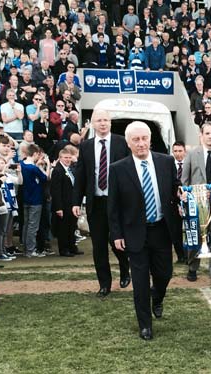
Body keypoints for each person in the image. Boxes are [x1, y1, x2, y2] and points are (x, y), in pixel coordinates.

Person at [107, 121, 180, 341]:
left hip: (161, 230)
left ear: (150, 139)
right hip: (134, 232)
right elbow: (113, 206)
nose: (141, 144)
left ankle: (157, 297)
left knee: (164, 273)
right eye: (136, 140)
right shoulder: (118, 169)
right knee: (139, 281)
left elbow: (175, 188)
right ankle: (145, 325)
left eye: (144, 138)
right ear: (128, 143)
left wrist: (181, 195)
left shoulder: (166, 162)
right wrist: (117, 234)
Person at [72, 109, 131, 297]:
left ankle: (124, 268)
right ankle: (104, 284)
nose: (103, 123)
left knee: (117, 242)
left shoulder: (122, 143)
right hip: (95, 202)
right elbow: (81, 174)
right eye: (99, 120)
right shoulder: (86, 146)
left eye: (106, 120)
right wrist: (76, 201)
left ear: (111, 122)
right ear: (93, 123)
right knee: (98, 245)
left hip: (118, 202)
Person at [181, 122, 211, 291]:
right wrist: (183, 200)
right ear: (201, 135)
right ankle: (192, 267)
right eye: (207, 133)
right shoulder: (192, 154)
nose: (210, 136)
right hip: (196, 204)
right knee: (196, 238)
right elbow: (184, 180)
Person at [51, 147, 79, 257]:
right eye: (65, 158)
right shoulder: (58, 171)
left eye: (69, 157)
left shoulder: (70, 169)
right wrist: (58, 207)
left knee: (72, 226)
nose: (67, 159)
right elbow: (55, 191)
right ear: (60, 158)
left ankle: (72, 247)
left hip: (72, 203)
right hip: (63, 204)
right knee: (63, 228)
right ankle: (64, 249)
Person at [171, 141, 186, 263]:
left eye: (180, 151)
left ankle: (190, 254)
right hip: (174, 203)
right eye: (175, 151)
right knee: (176, 231)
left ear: (185, 151)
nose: (178, 153)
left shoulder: (189, 164)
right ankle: (181, 255)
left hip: (188, 201)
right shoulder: (169, 165)